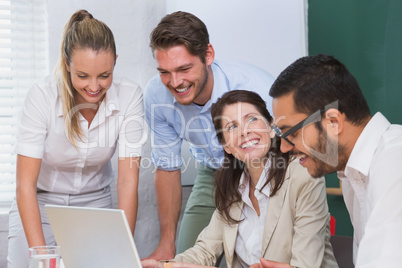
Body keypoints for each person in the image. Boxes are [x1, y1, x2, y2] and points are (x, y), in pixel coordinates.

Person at [7, 10, 147, 267]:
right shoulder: (41, 96)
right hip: (40, 202)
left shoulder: (129, 96)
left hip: (95, 205)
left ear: (115, 62)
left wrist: (121, 250)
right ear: (67, 63)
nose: (94, 87)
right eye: (83, 76)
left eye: (104, 75)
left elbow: (128, 180)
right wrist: (43, 257)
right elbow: (24, 185)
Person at [142, 90, 338, 268]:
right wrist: (164, 266)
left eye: (252, 119)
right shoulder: (231, 188)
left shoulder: (303, 176)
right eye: (232, 127)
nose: (244, 131)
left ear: (271, 128)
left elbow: (305, 265)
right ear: (226, 146)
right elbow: (205, 250)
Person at [144, 11, 276, 260]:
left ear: (208, 55)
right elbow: (167, 167)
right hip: (213, 172)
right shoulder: (156, 96)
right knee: (186, 257)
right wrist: (166, 243)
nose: (175, 82)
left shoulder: (257, 88)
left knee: (254, 256)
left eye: (184, 68)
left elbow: (288, 157)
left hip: (265, 171)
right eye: (164, 72)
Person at [263, 54, 402, 268]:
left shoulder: (394, 161)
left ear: (333, 121)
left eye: (289, 133)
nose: (283, 148)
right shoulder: (352, 173)